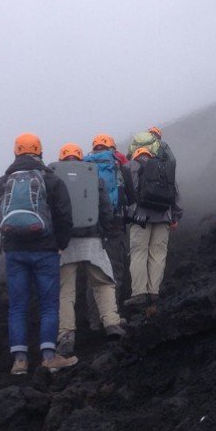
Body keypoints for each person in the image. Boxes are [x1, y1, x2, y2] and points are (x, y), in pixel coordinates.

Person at [0, 133, 78, 375]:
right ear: (40, 152)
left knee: (18, 306)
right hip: (45, 251)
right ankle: (49, 357)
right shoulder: (52, 180)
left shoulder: (2, 182)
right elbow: (64, 216)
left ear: (16, 152)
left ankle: (19, 361)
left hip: (14, 252)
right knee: (49, 305)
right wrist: (60, 244)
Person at [49, 142, 126, 352]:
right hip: (92, 239)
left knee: (66, 290)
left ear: (61, 158)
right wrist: (104, 231)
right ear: (81, 157)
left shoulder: (53, 179)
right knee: (103, 283)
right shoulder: (94, 176)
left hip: (65, 243)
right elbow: (106, 209)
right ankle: (111, 323)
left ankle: (66, 335)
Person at [122, 145, 182, 308]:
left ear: (135, 154)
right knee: (158, 254)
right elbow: (175, 193)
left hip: (139, 218)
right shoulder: (163, 167)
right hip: (163, 217)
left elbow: (124, 194)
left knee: (139, 253)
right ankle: (154, 292)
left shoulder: (128, 167)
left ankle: (139, 293)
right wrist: (175, 216)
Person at [81, 133, 130, 313]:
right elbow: (128, 194)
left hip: (89, 228)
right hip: (114, 225)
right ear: (112, 147)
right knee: (115, 270)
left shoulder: (83, 166)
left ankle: (94, 320)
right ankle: (111, 317)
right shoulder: (117, 164)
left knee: (93, 275)